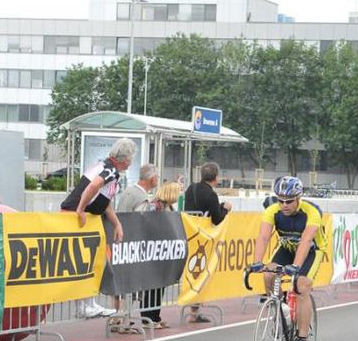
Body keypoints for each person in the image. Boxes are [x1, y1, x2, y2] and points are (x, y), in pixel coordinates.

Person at [248, 176, 326, 341]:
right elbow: (264, 237)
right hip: (286, 248)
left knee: (301, 286)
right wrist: (257, 262)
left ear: (298, 198)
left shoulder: (311, 212)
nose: (284, 205)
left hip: (311, 251)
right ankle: (281, 314)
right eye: (280, 200)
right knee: (268, 274)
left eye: (289, 201)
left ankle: (302, 339)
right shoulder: (272, 211)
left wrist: (296, 267)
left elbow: (306, 241)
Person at [60, 137, 131, 318]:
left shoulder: (104, 166)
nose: (131, 162)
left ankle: (88, 303)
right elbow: (94, 185)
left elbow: (104, 201)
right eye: (130, 158)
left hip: (83, 216)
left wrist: (117, 223)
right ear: (124, 159)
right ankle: (83, 306)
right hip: (76, 217)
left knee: (89, 261)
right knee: (82, 262)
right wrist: (81, 208)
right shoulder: (110, 170)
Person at [183, 161, 231, 323]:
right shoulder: (211, 195)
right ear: (216, 177)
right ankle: (194, 311)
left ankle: (193, 308)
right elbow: (217, 219)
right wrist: (225, 209)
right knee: (201, 272)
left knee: (192, 272)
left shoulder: (191, 188)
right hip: (203, 239)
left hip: (189, 234)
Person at [138, 181, 183, 329]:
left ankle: (155, 316)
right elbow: (144, 224)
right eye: (177, 192)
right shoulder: (154, 206)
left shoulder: (169, 207)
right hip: (153, 251)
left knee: (160, 286)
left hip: (164, 252)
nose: (179, 195)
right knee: (152, 286)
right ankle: (147, 318)